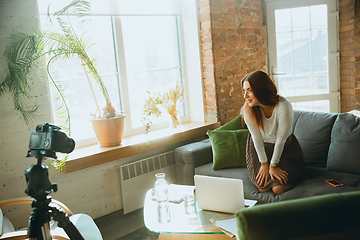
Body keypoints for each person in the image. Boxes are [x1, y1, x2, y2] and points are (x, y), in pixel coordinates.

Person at [241, 71, 303, 195]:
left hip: (285, 147)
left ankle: (296, 174)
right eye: (244, 90)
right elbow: (256, 138)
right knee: (263, 188)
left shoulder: (283, 106)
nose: (245, 96)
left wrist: (273, 166)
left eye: (249, 90)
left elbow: (281, 139)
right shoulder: (248, 110)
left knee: (278, 189)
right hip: (260, 147)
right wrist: (264, 164)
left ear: (261, 89)